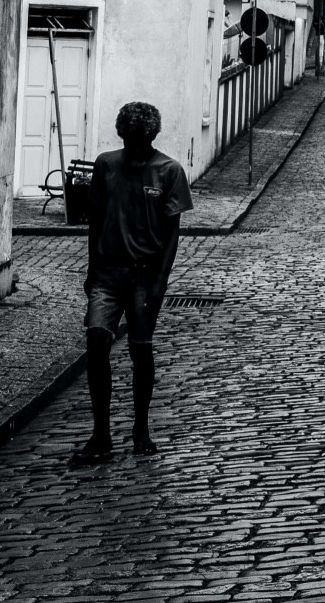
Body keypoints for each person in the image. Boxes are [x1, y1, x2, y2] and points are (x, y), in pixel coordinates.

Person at [70, 101, 192, 466]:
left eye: (142, 144)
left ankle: (141, 428)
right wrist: (92, 270)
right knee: (96, 341)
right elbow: (96, 220)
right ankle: (101, 434)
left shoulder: (169, 171)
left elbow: (172, 233)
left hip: (145, 274)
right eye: (130, 143)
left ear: (152, 137)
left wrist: (161, 282)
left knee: (140, 349)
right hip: (108, 272)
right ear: (122, 137)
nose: (136, 152)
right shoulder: (107, 165)